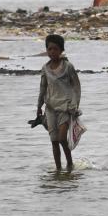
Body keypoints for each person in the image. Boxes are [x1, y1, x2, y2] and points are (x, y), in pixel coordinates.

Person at [34, 34, 82, 172]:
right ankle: (58, 170)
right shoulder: (45, 68)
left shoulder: (68, 67)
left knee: (62, 138)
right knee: (54, 141)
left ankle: (70, 164)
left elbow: (76, 87)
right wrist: (38, 106)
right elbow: (42, 88)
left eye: (55, 49)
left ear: (61, 50)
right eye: (49, 49)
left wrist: (74, 105)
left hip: (66, 108)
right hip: (50, 109)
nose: (52, 52)